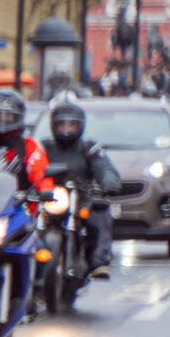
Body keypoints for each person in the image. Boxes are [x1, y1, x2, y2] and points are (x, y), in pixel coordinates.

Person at [42, 100, 120, 279]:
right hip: (49, 198)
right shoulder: (44, 148)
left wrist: (109, 183)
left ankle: (98, 261)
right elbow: (30, 168)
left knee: (99, 213)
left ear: (81, 125)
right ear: (53, 125)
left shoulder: (88, 148)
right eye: (62, 124)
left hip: (81, 198)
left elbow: (104, 167)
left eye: (72, 124)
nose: (67, 129)